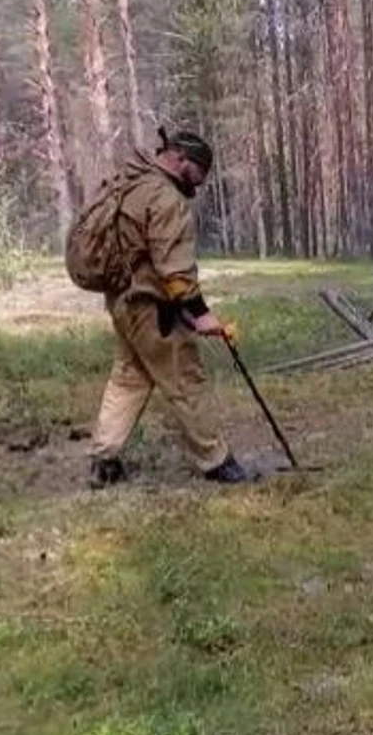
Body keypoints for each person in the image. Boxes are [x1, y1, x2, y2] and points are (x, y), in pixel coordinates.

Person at [86, 129, 256, 487]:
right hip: (151, 308)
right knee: (186, 380)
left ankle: (105, 459)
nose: (198, 184)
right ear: (181, 160)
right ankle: (216, 460)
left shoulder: (131, 183)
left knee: (129, 377)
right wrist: (201, 313)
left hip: (122, 302)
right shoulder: (166, 198)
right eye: (198, 173)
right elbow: (175, 271)